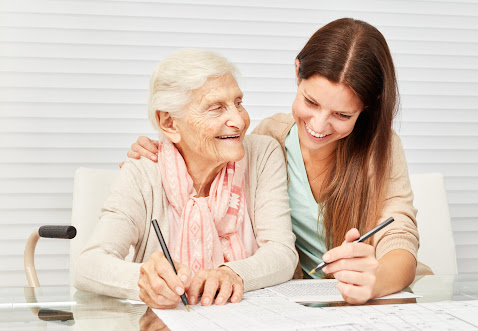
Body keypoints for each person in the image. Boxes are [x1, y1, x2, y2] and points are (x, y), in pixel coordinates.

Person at [125, 18, 433, 305]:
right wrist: (165, 152)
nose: (319, 125)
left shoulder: (382, 148)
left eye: (342, 115)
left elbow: (400, 235)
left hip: (376, 297)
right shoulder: (268, 139)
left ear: (370, 103)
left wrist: (377, 281)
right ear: (297, 71)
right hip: (297, 300)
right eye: (310, 102)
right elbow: (210, 161)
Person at [74, 49, 298, 309]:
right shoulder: (143, 171)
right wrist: (143, 280)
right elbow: (88, 265)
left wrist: (234, 273)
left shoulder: (262, 154)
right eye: (216, 108)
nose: (238, 120)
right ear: (169, 123)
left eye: (238, 103)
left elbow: (282, 252)